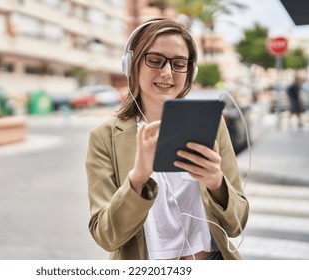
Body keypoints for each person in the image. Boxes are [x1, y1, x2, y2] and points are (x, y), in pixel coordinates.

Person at [86, 18, 249, 260]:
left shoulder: (212, 126)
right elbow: (106, 236)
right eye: (155, 60)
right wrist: (137, 179)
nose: (167, 73)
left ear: (189, 71)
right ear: (132, 65)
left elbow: (237, 225)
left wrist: (217, 183)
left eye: (179, 63)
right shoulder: (104, 138)